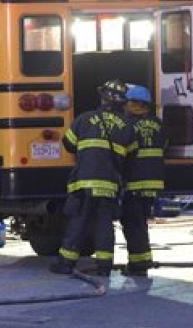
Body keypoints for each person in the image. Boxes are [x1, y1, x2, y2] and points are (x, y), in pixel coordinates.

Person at [50, 79, 137, 277]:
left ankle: (66, 263)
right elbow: (131, 154)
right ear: (122, 103)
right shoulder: (127, 126)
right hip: (109, 186)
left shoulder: (84, 119)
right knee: (104, 225)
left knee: (78, 223)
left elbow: (69, 144)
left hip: (84, 183)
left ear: (102, 98)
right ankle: (105, 267)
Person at [121, 85, 166, 277]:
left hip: (134, 182)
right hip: (154, 182)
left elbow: (125, 151)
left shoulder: (127, 124)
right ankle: (143, 260)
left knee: (133, 223)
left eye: (127, 102)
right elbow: (164, 145)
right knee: (140, 222)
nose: (124, 106)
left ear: (133, 104)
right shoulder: (158, 123)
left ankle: (138, 265)